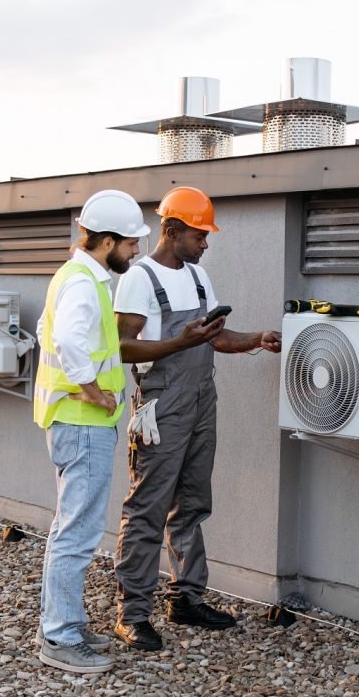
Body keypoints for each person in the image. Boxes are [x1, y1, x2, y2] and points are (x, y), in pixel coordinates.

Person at [111, 186, 281, 651]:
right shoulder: (139, 279)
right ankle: (133, 612)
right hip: (162, 401)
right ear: (172, 230)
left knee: (191, 500)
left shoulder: (199, 278)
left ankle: (186, 598)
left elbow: (215, 339)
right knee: (148, 504)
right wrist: (181, 342)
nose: (205, 243)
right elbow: (122, 347)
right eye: (199, 235)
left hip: (202, 397)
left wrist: (257, 338)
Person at [33, 189, 150, 673]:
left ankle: (68, 623)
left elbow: (45, 331)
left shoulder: (77, 276)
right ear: (106, 240)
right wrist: (93, 391)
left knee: (72, 527)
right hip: (82, 425)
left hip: (75, 423)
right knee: (77, 532)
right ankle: (59, 637)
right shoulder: (85, 283)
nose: (136, 251)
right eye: (130, 244)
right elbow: (64, 340)